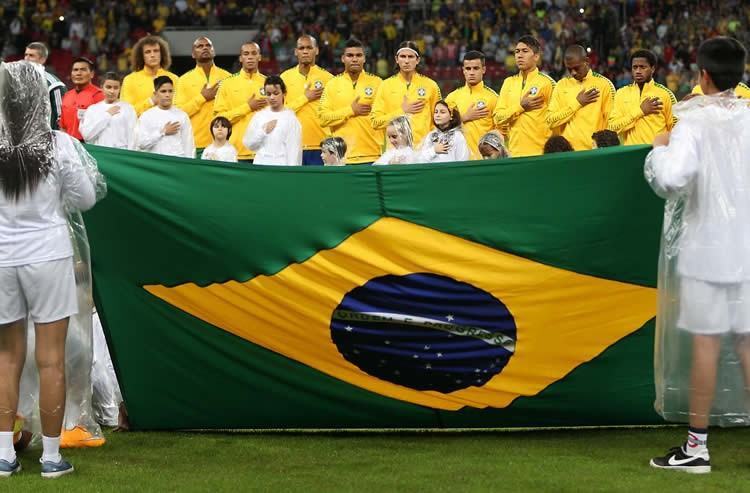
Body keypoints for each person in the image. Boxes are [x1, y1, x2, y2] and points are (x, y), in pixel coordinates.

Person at [646, 37, 750, 475]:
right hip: (747, 247)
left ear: (702, 75)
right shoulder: (749, 119)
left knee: (706, 345)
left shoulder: (691, 123)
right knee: (747, 343)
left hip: (707, 249)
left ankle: (697, 447)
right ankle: (696, 447)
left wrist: (659, 147)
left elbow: (673, 178)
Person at [0, 61, 102, 478]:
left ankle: (4, 454)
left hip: (3, 255)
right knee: (51, 360)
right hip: (49, 254)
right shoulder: (57, 144)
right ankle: (51, 457)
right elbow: (87, 198)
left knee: (5, 358)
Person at [318, 38, 383, 165]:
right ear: (343, 58)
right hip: (341, 157)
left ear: (364, 58)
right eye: (350, 55)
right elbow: (322, 118)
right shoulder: (332, 84)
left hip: (372, 156)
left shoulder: (378, 83)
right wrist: (351, 110)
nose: (354, 59)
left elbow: (384, 118)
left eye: (358, 55)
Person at [371, 41, 442, 148]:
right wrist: (402, 112)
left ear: (417, 60)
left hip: (423, 152)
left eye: (411, 57)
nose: (406, 61)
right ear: (396, 59)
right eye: (403, 56)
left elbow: (439, 122)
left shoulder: (431, 86)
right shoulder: (385, 86)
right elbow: (375, 122)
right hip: (396, 153)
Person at [493, 36, 555, 157]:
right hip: (514, 154)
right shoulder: (508, 82)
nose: (519, 55)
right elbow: (498, 119)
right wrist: (520, 106)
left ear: (536, 56)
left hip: (541, 153)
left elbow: (556, 121)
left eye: (525, 51)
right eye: (517, 52)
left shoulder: (548, 83)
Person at [546, 45, 614, 150]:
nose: (573, 72)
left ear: (587, 61)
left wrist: (602, 146)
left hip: (594, 152)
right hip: (568, 153)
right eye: (569, 69)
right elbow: (550, 121)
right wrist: (577, 103)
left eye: (576, 68)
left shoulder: (604, 84)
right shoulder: (561, 85)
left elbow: (612, 123)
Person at [280, 35, 333, 165]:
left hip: (321, 145)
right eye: (301, 48)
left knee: (319, 185)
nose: (305, 51)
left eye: (309, 47)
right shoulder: (284, 78)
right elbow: (280, 113)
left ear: (317, 50)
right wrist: (306, 98)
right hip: (293, 145)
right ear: (295, 51)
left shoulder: (329, 79)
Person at [608, 50, 676, 146]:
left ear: (652, 69)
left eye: (643, 67)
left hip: (656, 155)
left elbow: (675, 130)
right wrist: (640, 111)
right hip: (630, 155)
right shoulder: (621, 93)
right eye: (635, 67)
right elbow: (612, 128)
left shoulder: (665, 94)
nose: (638, 71)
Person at [214, 42, 267, 163]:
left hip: (263, 153)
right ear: (240, 58)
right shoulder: (227, 84)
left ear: (259, 57)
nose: (250, 57)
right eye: (246, 54)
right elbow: (219, 119)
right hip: (235, 152)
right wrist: (248, 107)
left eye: (254, 53)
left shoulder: (268, 83)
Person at [175, 37, 231, 152]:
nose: (205, 47)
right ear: (193, 54)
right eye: (199, 46)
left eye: (208, 45)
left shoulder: (228, 77)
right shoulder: (183, 80)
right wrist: (202, 98)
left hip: (224, 144)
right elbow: (178, 113)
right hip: (195, 144)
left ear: (214, 51)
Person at [445, 50, 499, 159]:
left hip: (483, 160)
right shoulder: (452, 98)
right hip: (457, 161)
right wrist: (464, 117)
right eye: (468, 69)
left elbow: (501, 131)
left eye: (476, 68)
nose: (471, 72)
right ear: (463, 70)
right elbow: (443, 129)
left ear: (483, 70)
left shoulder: (494, 98)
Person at [243, 75, 302, 166]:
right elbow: (249, 144)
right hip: (260, 167)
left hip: (281, 169)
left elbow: (293, 151)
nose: (272, 97)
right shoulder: (259, 116)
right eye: (268, 94)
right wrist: (263, 131)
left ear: (284, 93)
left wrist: (291, 174)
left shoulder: (291, 119)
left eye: (276, 93)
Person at [136, 76, 195, 158]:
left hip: (177, 162)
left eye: (170, 91)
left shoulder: (182, 115)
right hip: (155, 162)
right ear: (155, 94)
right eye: (163, 91)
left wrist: (189, 165)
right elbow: (141, 144)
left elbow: (189, 145)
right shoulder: (146, 116)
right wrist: (162, 132)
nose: (167, 95)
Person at [121, 35, 178, 116]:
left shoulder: (174, 79)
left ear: (162, 54)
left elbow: (179, 109)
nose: (152, 55)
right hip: (141, 128)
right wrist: (150, 102)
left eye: (156, 51)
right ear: (141, 56)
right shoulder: (130, 80)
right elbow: (126, 113)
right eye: (148, 52)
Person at [79, 72, 137, 149]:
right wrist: (107, 115)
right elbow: (87, 135)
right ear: (101, 87)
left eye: (116, 88)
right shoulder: (92, 109)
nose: (112, 91)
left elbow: (133, 137)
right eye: (108, 87)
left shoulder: (128, 109)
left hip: (122, 154)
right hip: (101, 154)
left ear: (120, 89)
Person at [60, 58, 104, 141]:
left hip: (91, 146)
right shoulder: (67, 96)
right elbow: (63, 127)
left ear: (92, 74)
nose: (78, 73)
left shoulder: (99, 95)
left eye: (83, 70)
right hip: (70, 145)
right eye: (75, 70)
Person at [24, 42, 66, 130]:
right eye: (26, 55)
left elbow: (61, 118)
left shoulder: (53, 85)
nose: (26, 59)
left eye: (31, 56)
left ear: (42, 60)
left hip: (45, 140)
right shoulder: (18, 81)